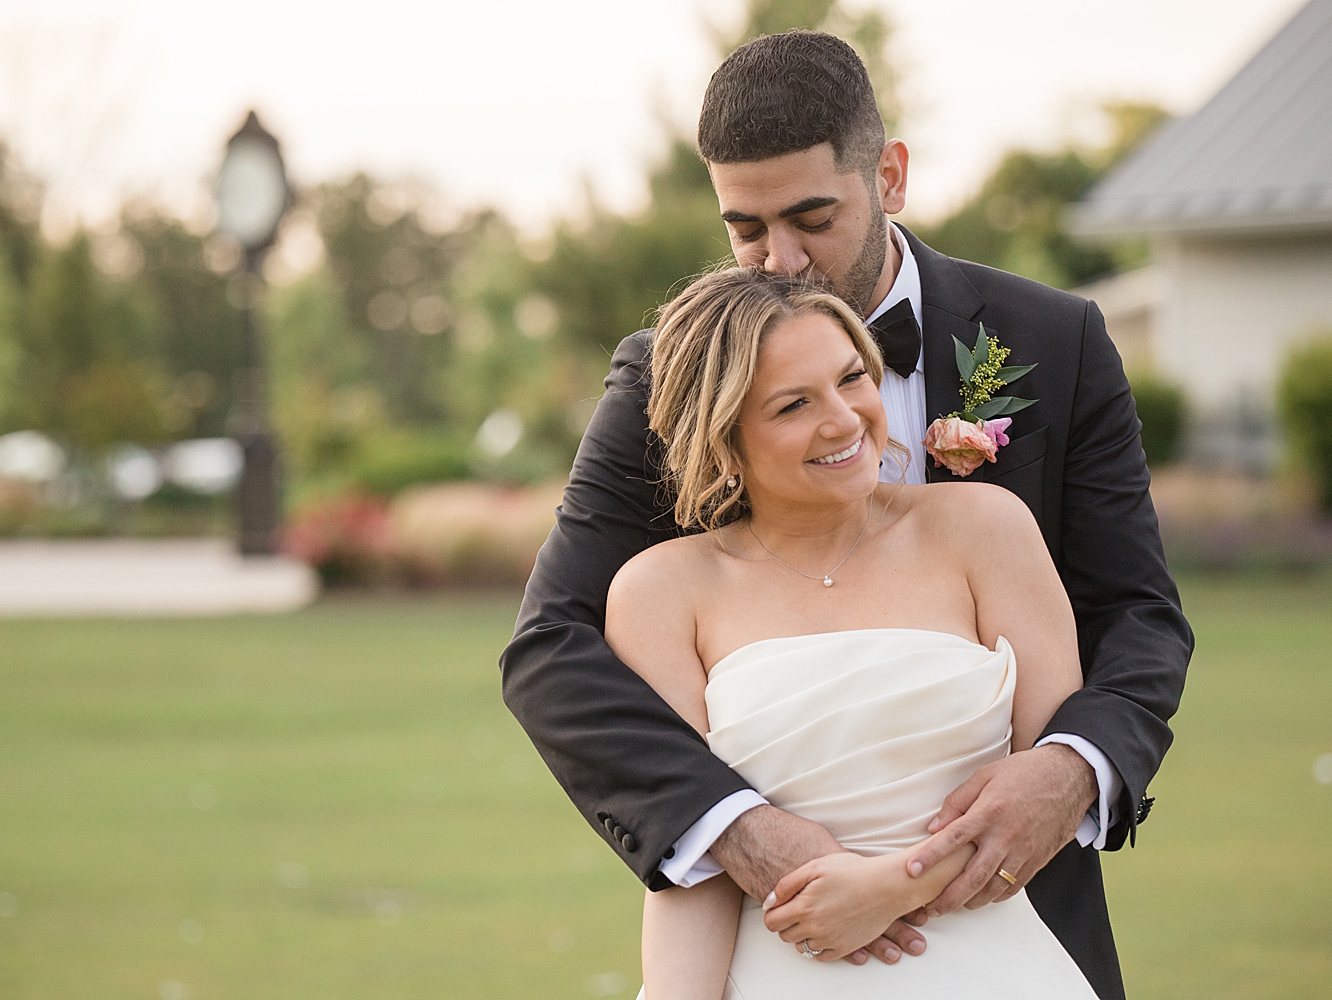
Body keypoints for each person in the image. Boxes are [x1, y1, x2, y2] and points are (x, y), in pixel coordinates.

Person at [501, 29, 1192, 1000]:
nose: (780, 260)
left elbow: (1139, 613)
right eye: (745, 228)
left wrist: (1072, 769)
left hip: (1016, 930)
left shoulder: (1052, 340)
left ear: (891, 175)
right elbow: (550, 650)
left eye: (811, 215)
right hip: (783, 941)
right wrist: (734, 827)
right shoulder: (673, 379)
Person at [615, 267, 1099, 998]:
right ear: (724, 436)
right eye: (792, 405)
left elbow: (1042, 799)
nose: (843, 419)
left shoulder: (985, 529)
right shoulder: (660, 592)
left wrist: (892, 888)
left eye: (851, 378)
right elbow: (693, 855)